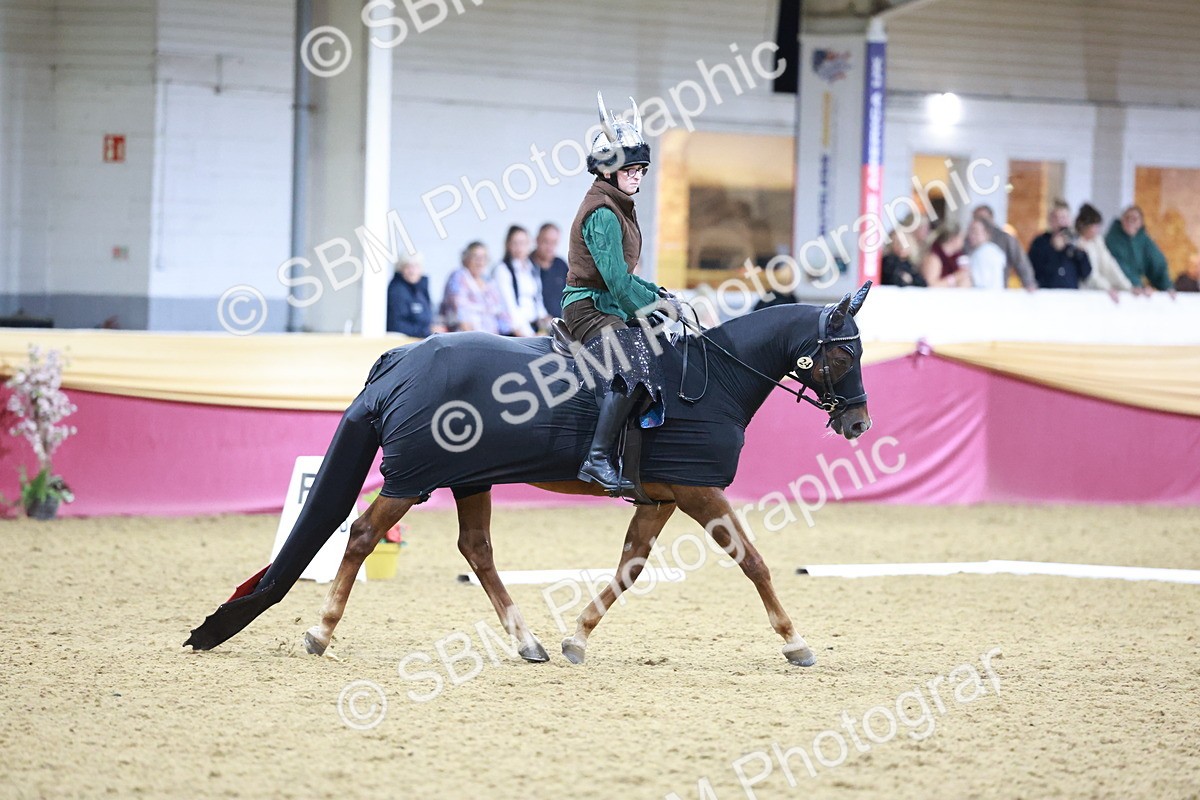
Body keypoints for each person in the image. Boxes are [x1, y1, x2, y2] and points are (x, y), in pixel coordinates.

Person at [561, 92, 676, 494]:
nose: (637, 175)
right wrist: (652, 306)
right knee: (631, 362)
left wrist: (662, 296)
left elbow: (628, 278)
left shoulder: (620, 205)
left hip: (608, 302)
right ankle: (596, 458)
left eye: (641, 169)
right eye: (630, 169)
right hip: (588, 308)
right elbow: (615, 283)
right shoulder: (603, 212)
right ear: (608, 171)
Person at [440, 242, 512, 334]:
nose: (480, 261)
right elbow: (460, 315)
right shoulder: (459, 277)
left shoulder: (489, 282)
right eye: (475, 257)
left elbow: (502, 313)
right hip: (467, 339)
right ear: (466, 259)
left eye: (484, 257)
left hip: (493, 338)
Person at [491, 225, 548, 336]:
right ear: (508, 245)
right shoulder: (502, 270)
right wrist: (529, 335)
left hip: (534, 326)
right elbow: (510, 307)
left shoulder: (532, 268)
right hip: (516, 331)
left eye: (523, 243)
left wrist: (544, 321)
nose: (519, 248)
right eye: (515, 243)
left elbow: (537, 299)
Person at [967, 205, 1037, 289]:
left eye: (983, 219)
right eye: (976, 218)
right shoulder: (967, 240)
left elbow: (1020, 261)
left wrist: (1028, 282)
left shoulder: (1005, 239)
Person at [1105, 206, 1171, 291]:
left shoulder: (1143, 239)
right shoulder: (1112, 239)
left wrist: (1167, 287)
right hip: (1116, 288)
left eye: (1134, 219)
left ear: (1141, 223)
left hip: (1136, 289)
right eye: (1127, 218)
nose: (1130, 222)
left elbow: (1157, 263)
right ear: (1122, 220)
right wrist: (1138, 285)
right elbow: (1118, 266)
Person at [1028, 200, 1091, 289]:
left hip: (1070, 295)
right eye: (1056, 218)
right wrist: (1053, 250)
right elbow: (1034, 270)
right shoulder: (1040, 243)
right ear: (1050, 220)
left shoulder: (1075, 242)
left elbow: (1086, 273)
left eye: (1064, 218)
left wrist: (1081, 253)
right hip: (1046, 294)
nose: (1061, 222)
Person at [1074, 203, 1133, 294]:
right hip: (1083, 292)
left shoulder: (1098, 241)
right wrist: (1107, 288)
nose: (1097, 230)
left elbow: (1109, 265)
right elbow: (1089, 275)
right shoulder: (1077, 244)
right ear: (1085, 226)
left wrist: (1127, 287)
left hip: (1099, 290)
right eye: (1095, 226)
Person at [386, 254, 444, 337]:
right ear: (400, 269)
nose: (412, 271)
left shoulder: (421, 290)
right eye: (408, 267)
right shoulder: (397, 291)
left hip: (420, 341)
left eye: (416, 266)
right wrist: (427, 330)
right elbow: (396, 326)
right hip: (404, 343)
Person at [532, 223, 570, 318]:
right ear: (537, 240)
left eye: (554, 243)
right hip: (534, 325)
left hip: (560, 324)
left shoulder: (561, 265)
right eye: (546, 242)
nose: (549, 247)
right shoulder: (527, 265)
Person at [921, 222, 971, 287]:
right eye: (961, 238)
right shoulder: (934, 258)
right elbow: (931, 285)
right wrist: (955, 278)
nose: (963, 241)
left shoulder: (956, 257)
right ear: (953, 239)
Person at [966, 219, 1007, 290]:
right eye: (969, 231)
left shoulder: (983, 253)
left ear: (986, 233)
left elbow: (979, 282)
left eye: (974, 231)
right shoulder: (995, 250)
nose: (970, 235)